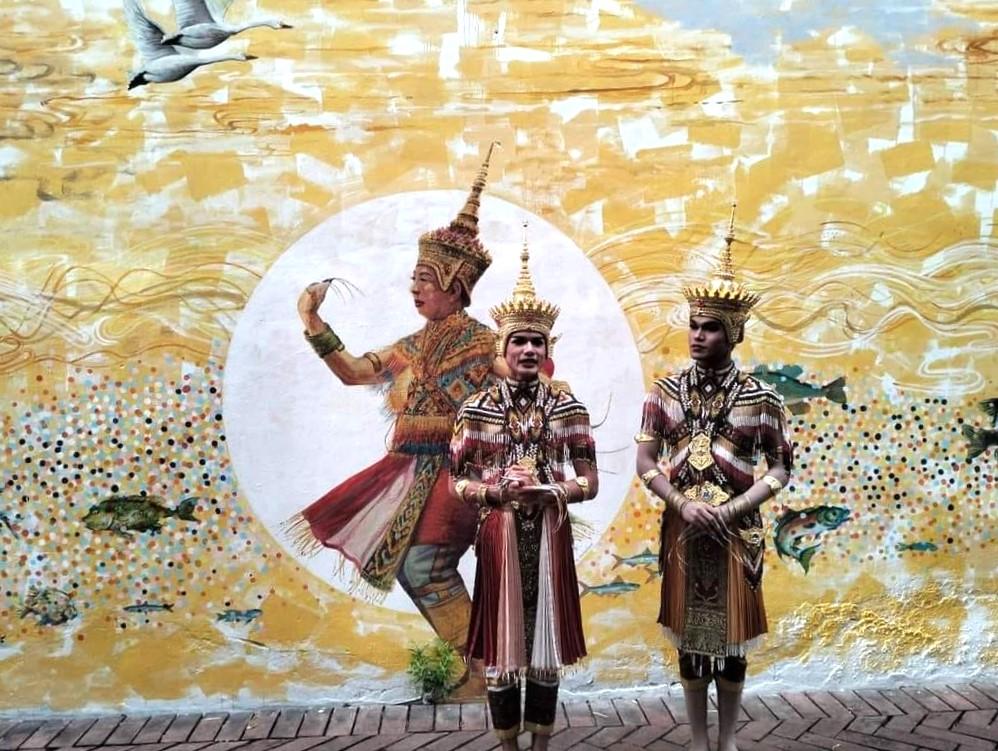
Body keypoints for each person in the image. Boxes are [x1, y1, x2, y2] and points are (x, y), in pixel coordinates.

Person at [286, 145, 501, 688]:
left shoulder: (486, 344)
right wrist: (313, 321)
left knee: (424, 566)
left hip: (457, 473)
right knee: (413, 568)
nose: (415, 288)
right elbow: (355, 371)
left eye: (425, 278)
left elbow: (527, 378)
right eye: (414, 278)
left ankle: (484, 671)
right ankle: (480, 669)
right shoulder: (409, 346)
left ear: (455, 283)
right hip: (410, 471)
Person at [634, 205, 793, 751]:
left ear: (734, 333)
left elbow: (780, 467)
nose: (698, 336)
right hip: (682, 530)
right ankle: (699, 740)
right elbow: (645, 462)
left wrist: (734, 507)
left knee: (732, 646)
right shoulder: (663, 392)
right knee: (689, 643)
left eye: (710, 328)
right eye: (694, 326)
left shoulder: (761, 397)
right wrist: (680, 502)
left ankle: (727, 740)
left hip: (736, 532)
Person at [449, 233, 598, 751]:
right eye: (520, 341)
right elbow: (457, 480)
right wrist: (496, 494)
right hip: (500, 535)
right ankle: (509, 744)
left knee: (545, 645)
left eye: (538, 342)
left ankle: (541, 745)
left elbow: (589, 481)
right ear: (503, 347)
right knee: (502, 645)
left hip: (551, 533)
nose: (529, 349)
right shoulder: (476, 410)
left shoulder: (569, 409)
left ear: (548, 349)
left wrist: (551, 490)